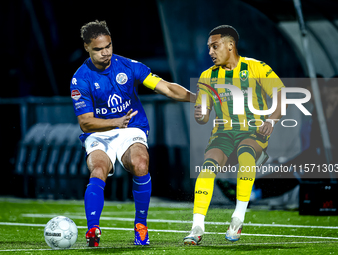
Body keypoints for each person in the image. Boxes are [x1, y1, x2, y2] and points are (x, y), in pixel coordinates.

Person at [70, 20, 195, 247]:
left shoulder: (128, 66)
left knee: (140, 163)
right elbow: (86, 124)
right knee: (98, 169)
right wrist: (114, 121)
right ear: (86, 47)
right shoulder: (80, 79)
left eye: (108, 46)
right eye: (98, 49)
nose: (105, 52)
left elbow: (165, 87)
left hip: (130, 128)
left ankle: (141, 225)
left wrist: (197, 97)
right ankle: (93, 229)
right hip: (100, 132)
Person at [184, 25, 285, 245]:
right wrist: (201, 114)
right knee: (207, 168)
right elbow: (202, 116)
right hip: (222, 133)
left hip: (253, 131)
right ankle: (197, 226)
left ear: (231, 46)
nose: (210, 52)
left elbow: (281, 95)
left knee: (246, 153)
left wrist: (271, 120)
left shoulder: (256, 67)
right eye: (209, 47)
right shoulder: (207, 76)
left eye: (215, 46)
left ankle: (238, 218)